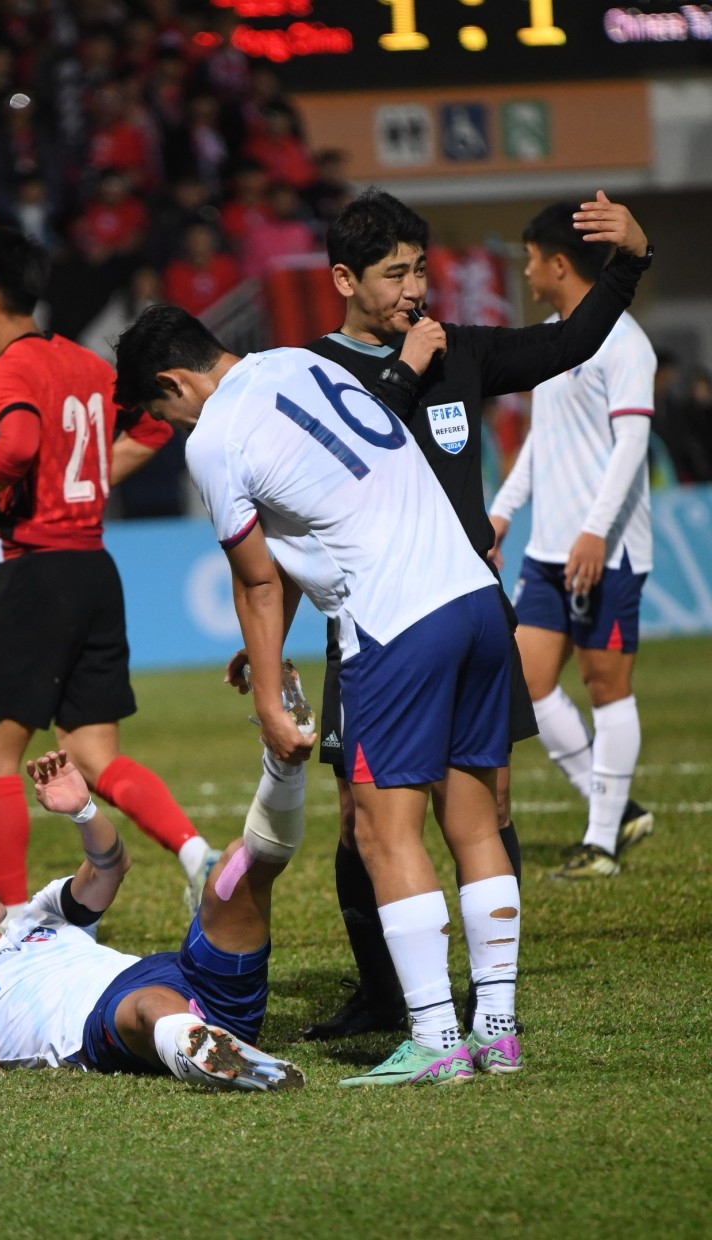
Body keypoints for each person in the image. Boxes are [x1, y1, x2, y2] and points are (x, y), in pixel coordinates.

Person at [274, 186, 653, 1038]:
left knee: (492, 805)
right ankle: (382, 994)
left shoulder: (461, 352)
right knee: (360, 818)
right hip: (372, 625)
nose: (414, 289)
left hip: (468, 614)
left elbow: (569, 341)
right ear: (343, 278)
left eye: (419, 270)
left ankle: (491, 997)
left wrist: (630, 260)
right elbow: (318, 490)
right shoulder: (315, 374)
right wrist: (405, 371)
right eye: (393, 274)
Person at [114, 305, 521, 1086]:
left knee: (381, 833)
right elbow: (321, 522)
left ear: (171, 382)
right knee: (472, 822)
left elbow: (258, 576)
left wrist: (271, 695)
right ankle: (495, 1031)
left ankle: (438, 1039)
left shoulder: (214, 439)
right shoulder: (305, 364)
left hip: (395, 621)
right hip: (474, 600)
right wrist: (260, 652)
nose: (168, 424)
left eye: (160, 409)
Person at [0, 226, 219, 921]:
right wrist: (93, 480)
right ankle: (194, 853)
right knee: (93, 753)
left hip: (35, 573)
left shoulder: (7, 369)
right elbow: (155, 425)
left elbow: (21, 442)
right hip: (97, 569)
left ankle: (6, 922)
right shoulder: (87, 366)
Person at [0, 748, 305, 1091]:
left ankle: (286, 761)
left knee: (237, 866)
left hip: (178, 975)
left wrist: (83, 811)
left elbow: (111, 867)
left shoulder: (37, 914)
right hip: (106, 1021)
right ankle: (221, 1059)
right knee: (148, 1005)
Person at [489, 199, 657, 880]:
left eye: (530, 258)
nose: (525, 270)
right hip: (549, 549)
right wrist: (500, 513)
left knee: (603, 684)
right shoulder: (554, 339)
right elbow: (541, 441)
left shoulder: (626, 343)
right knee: (527, 683)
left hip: (605, 548)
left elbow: (632, 444)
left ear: (559, 263)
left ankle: (603, 843)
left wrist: (595, 531)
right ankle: (612, 810)